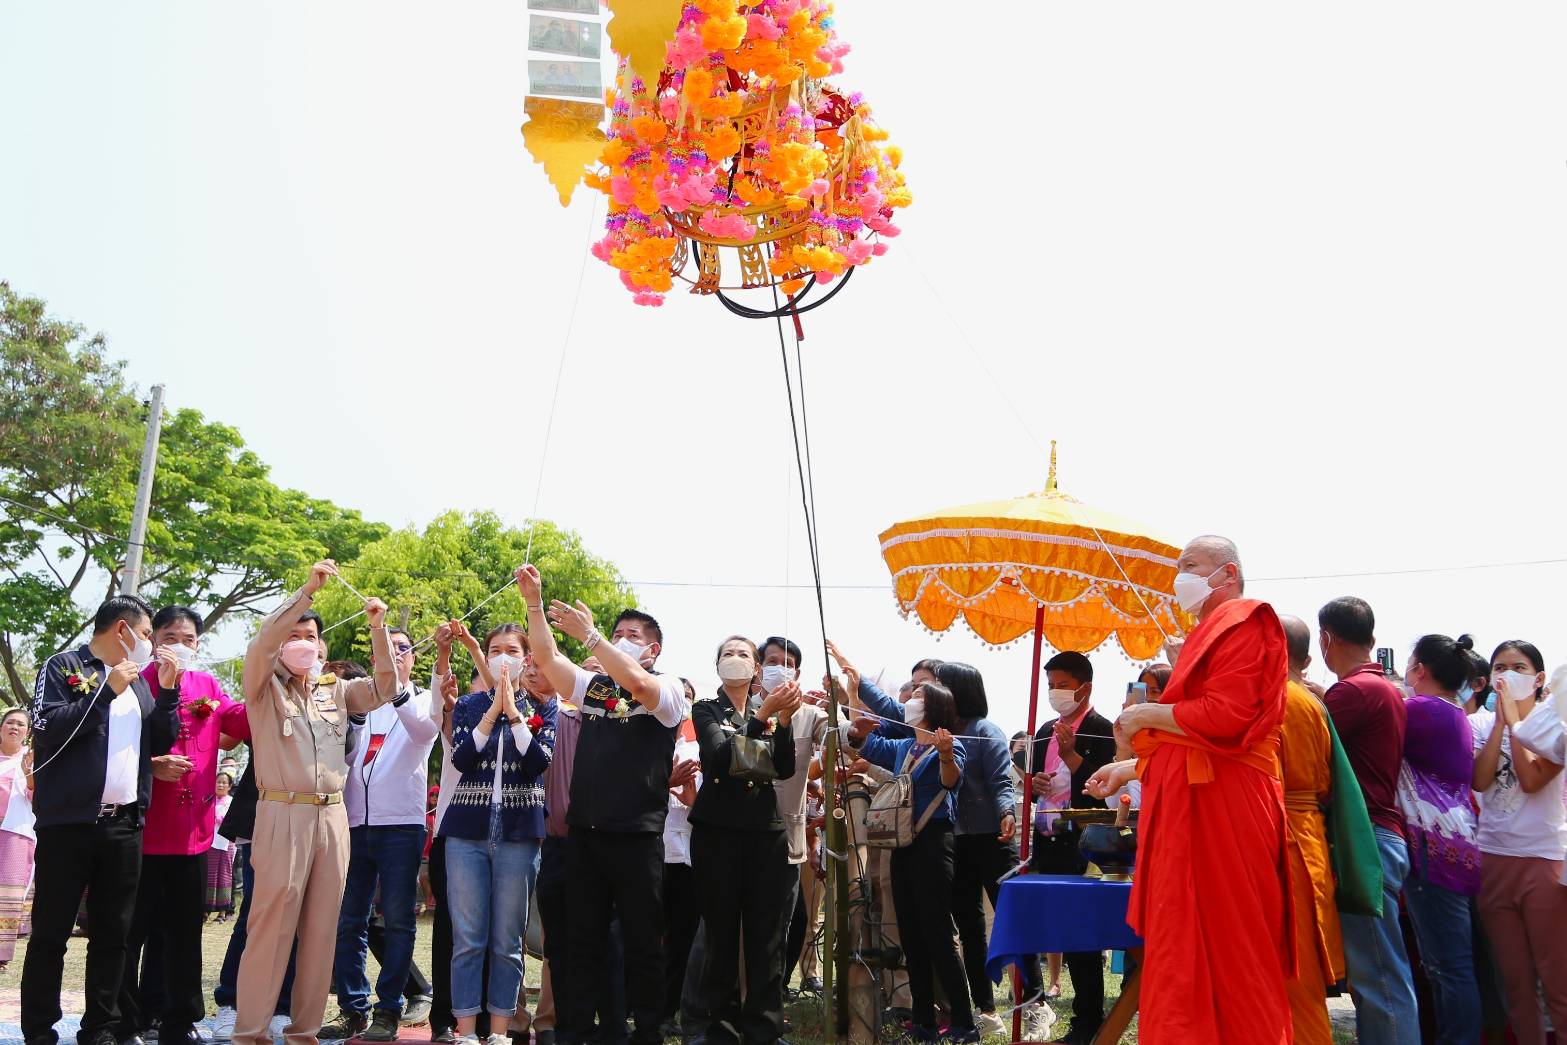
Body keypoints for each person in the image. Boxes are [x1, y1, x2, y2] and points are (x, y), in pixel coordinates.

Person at [1086, 535, 1292, 1044]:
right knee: (1180, 945)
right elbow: (1194, 751)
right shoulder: (1209, 632)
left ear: (1227, 574)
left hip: (1229, 811)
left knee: (1233, 943)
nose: (1181, 577)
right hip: (1199, 802)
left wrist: (1147, 714)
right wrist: (1131, 767)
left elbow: (1227, 718)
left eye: (1191, 565)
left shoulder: (1246, 620)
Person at [231, 561, 403, 1045]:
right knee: (271, 926)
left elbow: (386, 688)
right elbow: (262, 642)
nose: (302, 641)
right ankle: (250, 1032)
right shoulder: (262, 687)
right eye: (295, 633)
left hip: (332, 816)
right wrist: (306, 593)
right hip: (281, 811)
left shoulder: (336, 691)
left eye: (310, 635)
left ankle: (304, 1033)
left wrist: (378, 628)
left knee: (323, 929)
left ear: (323, 648)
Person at [518, 565, 691, 1045]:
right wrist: (534, 604)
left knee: (641, 945)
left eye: (631, 635)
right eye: (617, 633)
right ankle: (575, 1030)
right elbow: (549, 660)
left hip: (636, 838)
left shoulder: (670, 688)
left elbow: (638, 685)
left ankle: (647, 1032)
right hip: (585, 837)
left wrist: (593, 637)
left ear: (652, 648)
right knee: (579, 942)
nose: (621, 639)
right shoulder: (594, 689)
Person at [21, 595, 181, 1045]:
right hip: (67, 823)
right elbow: (49, 726)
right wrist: (104, 691)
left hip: (124, 824)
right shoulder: (63, 666)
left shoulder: (142, 683)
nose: (151, 644)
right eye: (148, 634)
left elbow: (160, 738)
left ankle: (101, 1027)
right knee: (52, 931)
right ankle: (38, 1028)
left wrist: (167, 691)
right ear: (122, 631)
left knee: (114, 933)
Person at [115, 604, 251, 1045]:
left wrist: (272, 685)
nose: (180, 647)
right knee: (131, 933)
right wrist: (150, 766)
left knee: (183, 934)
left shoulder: (207, 683)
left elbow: (239, 720)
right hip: (140, 830)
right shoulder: (133, 681)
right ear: (152, 640)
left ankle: (179, 1020)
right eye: (170, 637)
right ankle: (126, 1020)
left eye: (189, 640)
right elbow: (109, 746)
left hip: (194, 834)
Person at [323, 625, 441, 1043]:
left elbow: (425, 732)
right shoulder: (359, 701)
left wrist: (396, 692)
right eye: (385, 650)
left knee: (397, 923)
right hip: (354, 823)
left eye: (402, 650)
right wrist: (354, 713)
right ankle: (352, 1007)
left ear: (413, 658)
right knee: (348, 920)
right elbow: (345, 752)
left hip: (400, 825)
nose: (392, 656)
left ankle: (389, 1009)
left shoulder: (424, 698)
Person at [440, 624, 555, 1045]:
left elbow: (537, 763)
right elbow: (464, 757)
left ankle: (502, 1032)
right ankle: (467, 1031)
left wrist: (515, 714)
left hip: (519, 833)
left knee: (508, 941)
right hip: (466, 833)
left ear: (527, 658)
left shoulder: (545, 706)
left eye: (512, 649)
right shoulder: (469, 705)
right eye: (494, 649)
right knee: (468, 938)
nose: (502, 656)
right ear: (485, 657)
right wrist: (492, 712)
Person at [1313, 596, 1420, 1045]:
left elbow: (1312, 751)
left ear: (1325, 639)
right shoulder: (1380, 687)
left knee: (1379, 978)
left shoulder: (1352, 691)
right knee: (1382, 974)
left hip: (1365, 842)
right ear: (1372, 640)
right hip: (1381, 837)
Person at [845, 681, 973, 1043]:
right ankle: (923, 1023)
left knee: (937, 935)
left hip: (934, 844)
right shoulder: (906, 746)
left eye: (918, 697)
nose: (909, 701)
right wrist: (855, 705)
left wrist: (946, 755)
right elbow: (865, 742)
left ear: (935, 708)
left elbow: (950, 781)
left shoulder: (951, 745)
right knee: (912, 937)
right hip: (902, 846)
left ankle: (964, 1022)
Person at [688, 636, 799, 1045]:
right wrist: (764, 716)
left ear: (757, 669)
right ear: (717, 665)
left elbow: (783, 767)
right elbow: (720, 757)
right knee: (719, 933)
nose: (734, 660)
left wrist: (782, 721)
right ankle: (719, 1026)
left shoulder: (764, 710)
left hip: (764, 833)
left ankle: (764, 1029)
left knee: (766, 936)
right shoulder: (706, 709)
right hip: (717, 832)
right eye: (727, 654)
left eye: (743, 654)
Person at [1469, 639, 1566, 1043]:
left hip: (1543, 860)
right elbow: (1479, 779)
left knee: (1557, 980)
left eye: (1519, 667)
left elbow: (1530, 781)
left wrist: (1515, 723)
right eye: (1500, 667)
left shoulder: (1553, 724)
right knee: (1515, 981)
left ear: (1539, 678)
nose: (1507, 675)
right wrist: (1499, 725)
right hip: (1493, 857)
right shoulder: (1479, 725)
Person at [1026, 652, 1117, 1045]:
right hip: (1047, 841)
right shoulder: (1047, 728)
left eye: (1063, 685)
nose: (1055, 693)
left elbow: (1103, 794)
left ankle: (1087, 1022)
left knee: (1083, 939)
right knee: (1057, 932)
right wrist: (1038, 783)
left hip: (1083, 845)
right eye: (1051, 685)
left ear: (1085, 687)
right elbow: (1029, 777)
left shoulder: (1102, 729)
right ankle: (1045, 1004)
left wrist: (1070, 756)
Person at [1396, 634, 1481, 1045]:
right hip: (1454, 845)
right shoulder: (1451, 711)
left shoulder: (1421, 709)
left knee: (1449, 967)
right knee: (1449, 965)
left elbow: (1374, 718)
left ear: (1421, 670)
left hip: (1435, 849)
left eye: (1411, 664)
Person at [1275, 615, 1344, 1045]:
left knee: (1293, 973)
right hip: (1307, 833)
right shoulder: (1310, 700)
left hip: (1288, 839)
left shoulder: (1277, 698)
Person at [427, 627, 497, 1045]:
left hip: (503, 837)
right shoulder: (455, 721)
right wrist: (443, 654)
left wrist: (475, 651)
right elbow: (439, 700)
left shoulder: (512, 721)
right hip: (453, 838)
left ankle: (490, 1018)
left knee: (495, 932)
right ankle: (444, 1017)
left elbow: (499, 689)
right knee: (452, 931)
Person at [661, 711, 701, 1033]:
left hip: (684, 857)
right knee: (643, 936)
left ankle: (668, 1011)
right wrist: (664, 781)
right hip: (645, 854)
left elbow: (699, 805)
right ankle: (637, 1004)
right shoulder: (639, 744)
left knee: (680, 939)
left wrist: (692, 801)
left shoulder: (696, 753)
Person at [0, 707, 36, 971]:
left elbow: (40, 798)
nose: (14, 727)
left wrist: (31, 776)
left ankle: (0, 955)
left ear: (27, 732)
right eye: (9, 722)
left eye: (20, 724)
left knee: (6, 893)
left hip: (15, 832)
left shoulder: (33, 759)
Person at [207, 773, 237, 919]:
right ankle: (206, 909)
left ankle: (223, 911)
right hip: (210, 843)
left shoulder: (232, 801)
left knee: (224, 875)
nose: (220, 785)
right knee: (209, 875)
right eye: (218, 782)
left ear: (229, 786)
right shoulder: (209, 800)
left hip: (227, 843)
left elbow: (232, 820)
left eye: (224, 783)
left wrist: (219, 818)